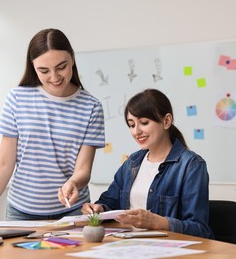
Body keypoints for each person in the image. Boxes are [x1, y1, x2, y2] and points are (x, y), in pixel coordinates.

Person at [0, 28, 105, 222]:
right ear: (33, 67)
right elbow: (5, 164)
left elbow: (83, 169)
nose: (54, 77)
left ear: (72, 58)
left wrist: (72, 182)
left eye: (61, 67)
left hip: (72, 211)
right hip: (21, 212)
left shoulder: (91, 107)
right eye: (44, 71)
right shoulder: (17, 98)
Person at [81, 88, 213, 239]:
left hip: (167, 248)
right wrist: (98, 208)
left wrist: (157, 222)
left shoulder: (191, 165)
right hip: (126, 245)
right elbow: (109, 202)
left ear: (166, 121)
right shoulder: (132, 162)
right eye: (131, 125)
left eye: (144, 123)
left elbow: (200, 229)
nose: (136, 131)